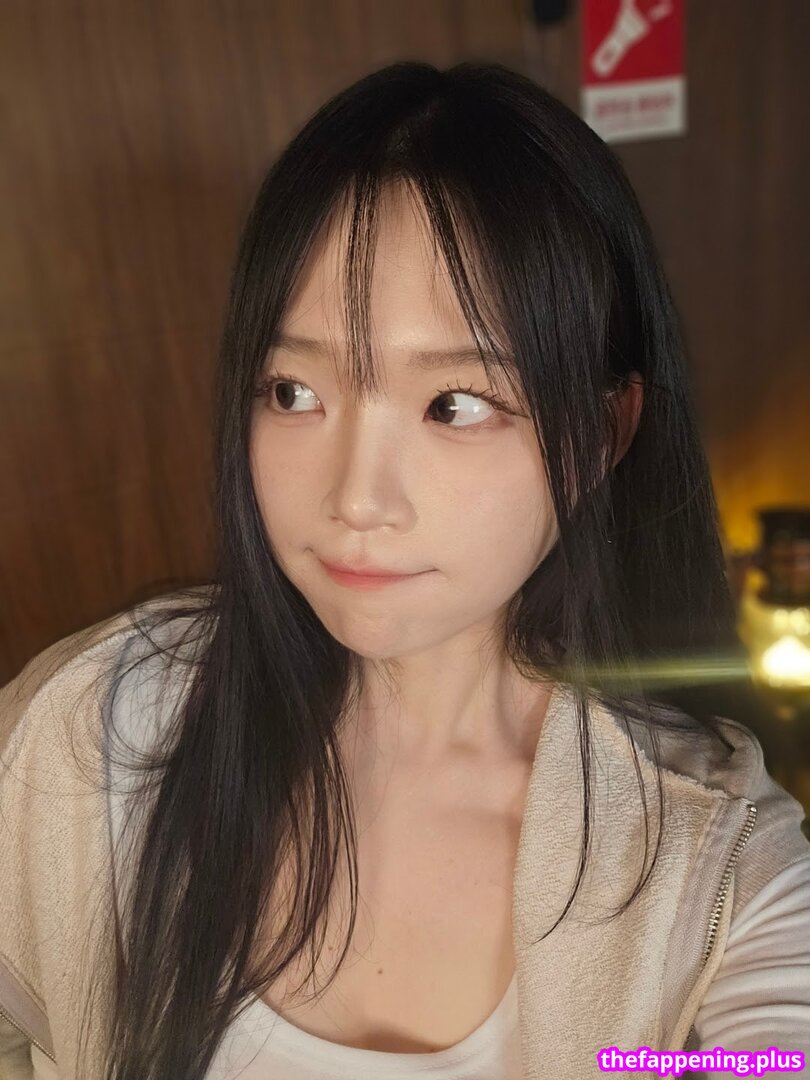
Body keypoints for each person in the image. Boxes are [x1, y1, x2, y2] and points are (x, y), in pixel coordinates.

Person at [1, 60, 809, 1080]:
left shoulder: (720, 870)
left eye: (455, 405)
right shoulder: (88, 728)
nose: (357, 498)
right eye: (292, 391)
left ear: (602, 435)